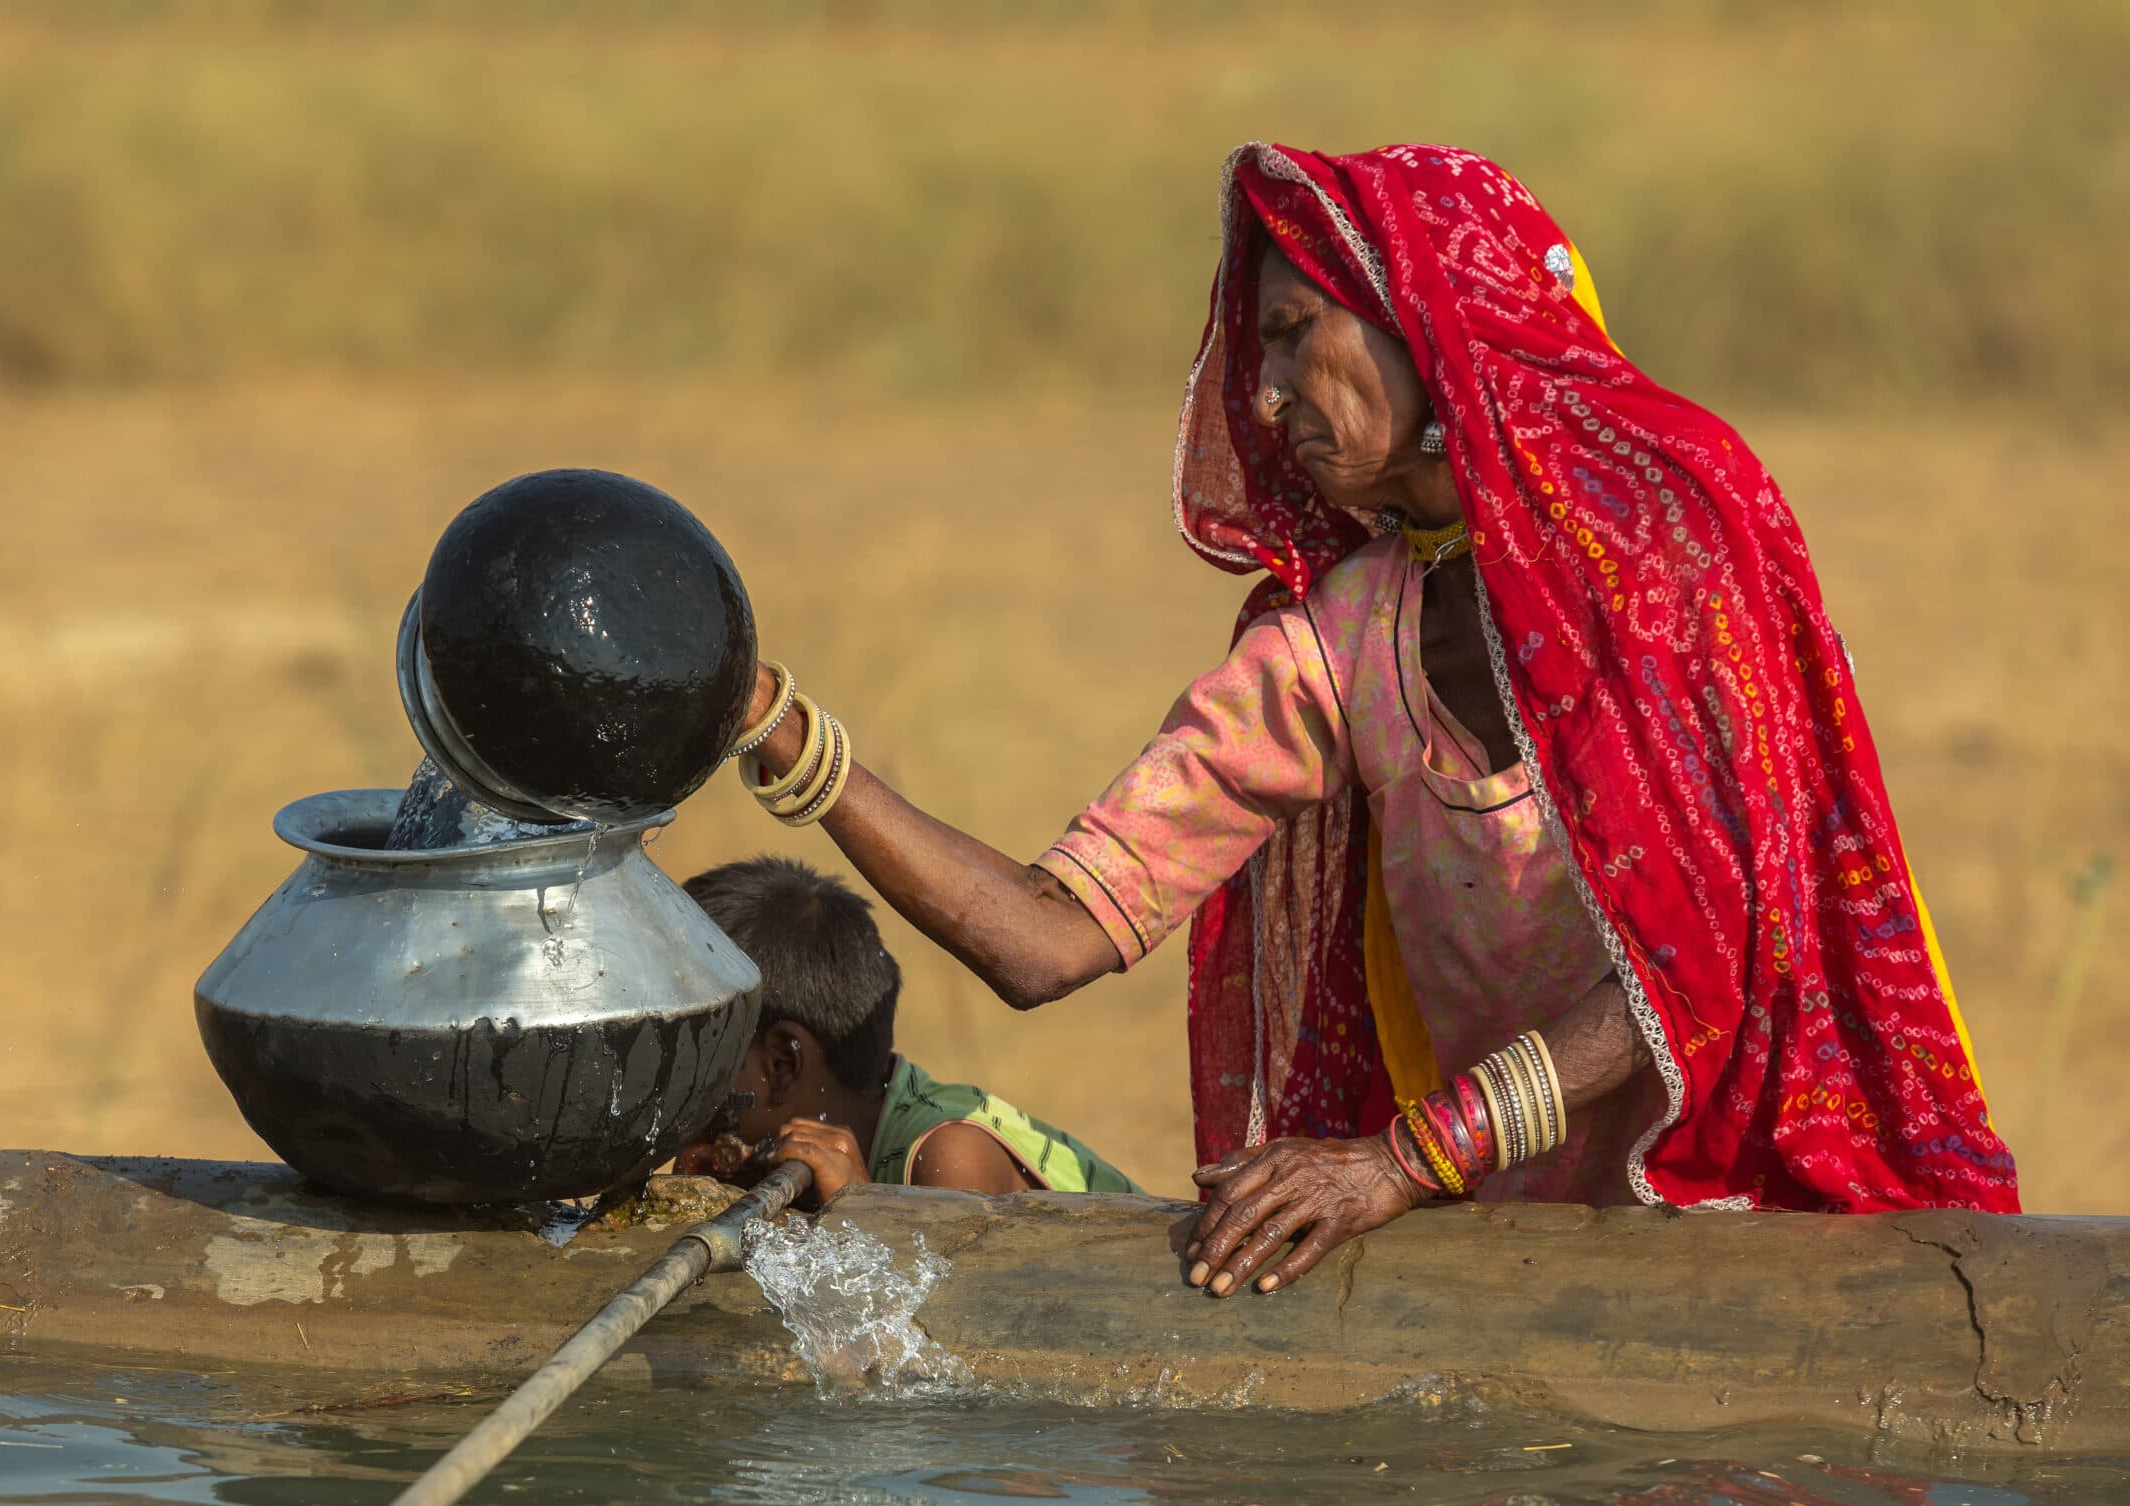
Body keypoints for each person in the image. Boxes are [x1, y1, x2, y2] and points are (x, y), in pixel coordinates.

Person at [724, 142, 2018, 1295]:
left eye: (1294, 332)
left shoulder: (1669, 533)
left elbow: (1708, 957)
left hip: (1765, 1210)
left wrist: (1403, 1158)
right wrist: (778, 727)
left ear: (1429, 320)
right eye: (1264, 351)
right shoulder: (1346, 634)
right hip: (1512, 1249)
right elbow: (1045, 940)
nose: (1271, 390)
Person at [673, 856, 1140, 1203]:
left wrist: (863, 1215)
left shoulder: (948, 1158)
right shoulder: (849, 1120)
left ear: (782, 1063)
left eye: (690, 1061)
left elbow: (947, 1326)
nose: (673, 1091)